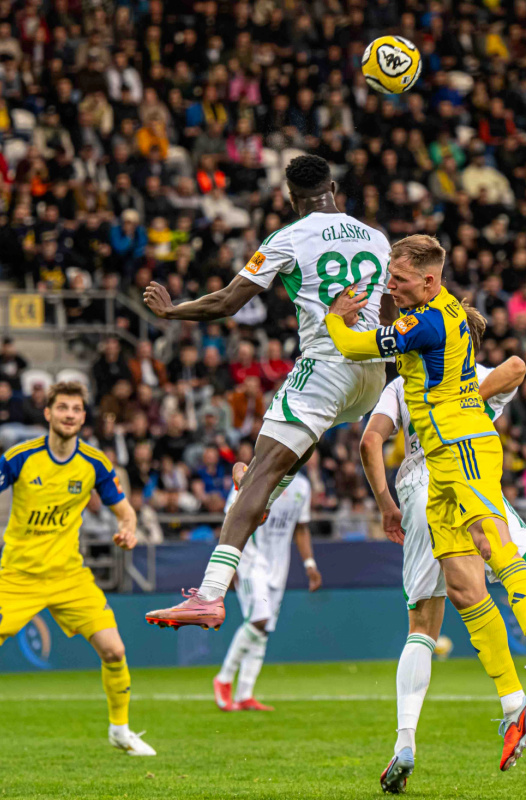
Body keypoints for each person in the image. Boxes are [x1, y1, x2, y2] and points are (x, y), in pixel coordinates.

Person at [325, 234, 526, 774]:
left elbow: (355, 348)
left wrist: (336, 318)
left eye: (400, 279)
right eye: (390, 276)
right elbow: (512, 368)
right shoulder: (442, 311)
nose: (391, 286)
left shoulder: (426, 321)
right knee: (462, 586)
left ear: (429, 282)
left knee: (490, 544)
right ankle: (512, 704)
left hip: (461, 445)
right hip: (436, 461)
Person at [142, 155, 390, 630]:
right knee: (268, 473)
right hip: (372, 372)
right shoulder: (376, 237)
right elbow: (388, 304)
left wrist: (173, 313)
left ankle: (210, 595)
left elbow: (227, 301)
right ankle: (263, 490)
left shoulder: (288, 237)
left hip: (325, 365)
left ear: (290, 198)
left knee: (256, 476)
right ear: (333, 187)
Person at [360, 305, 526, 793]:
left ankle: (406, 740)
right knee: (510, 571)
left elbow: (369, 442)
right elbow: (515, 367)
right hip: (479, 479)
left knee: (424, 624)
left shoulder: (407, 381)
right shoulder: (476, 374)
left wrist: (386, 503)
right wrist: (468, 404)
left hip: (424, 484)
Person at [0, 382, 155, 755]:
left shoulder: (95, 463)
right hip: (18, 576)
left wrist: (128, 530)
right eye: (63, 408)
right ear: (48, 413)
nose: (70, 414)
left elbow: (124, 510)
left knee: (114, 651)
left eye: (76, 409)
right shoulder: (20, 457)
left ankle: (120, 729)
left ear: (84, 417)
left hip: (70, 576)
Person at [212, 462, 321, 712]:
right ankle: (224, 678)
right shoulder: (254, 475)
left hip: (278, 565)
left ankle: (244, 694)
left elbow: (301, 527)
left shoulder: (302, 486)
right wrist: (229, 564)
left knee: (264, 629)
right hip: (250, 560)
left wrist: (309, 564)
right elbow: (231, 518)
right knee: (259, 620)